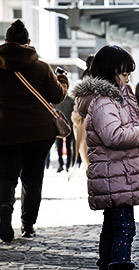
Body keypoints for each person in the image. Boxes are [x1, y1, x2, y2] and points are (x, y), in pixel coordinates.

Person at [73, 45, 139, 270]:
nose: (127, 79)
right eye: (123, 74)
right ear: (110, 71)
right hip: (116, 174)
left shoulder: (113, 98)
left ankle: (106, 263)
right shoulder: (104, 101)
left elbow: (125, 131)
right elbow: (114, 136)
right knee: (124, 228)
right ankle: (119, 265)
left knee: (113, 226)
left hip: (118, 174)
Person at [0, 20, 69, 242]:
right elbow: (57, 96)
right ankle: (28, 225)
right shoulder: (41, 67)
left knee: (6, 178)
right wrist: (63, 80)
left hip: (6, 133)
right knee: (32, 179)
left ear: (6, 42)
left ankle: (4, 211)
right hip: (39, 134)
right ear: (28, 43)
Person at [55, 94, 75, 172]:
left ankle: (62, 165)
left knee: (60, 147)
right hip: (68, 127)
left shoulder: (56, 101)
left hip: (59, 128)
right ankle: (66, 165)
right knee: (67, 147)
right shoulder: (71, 101)